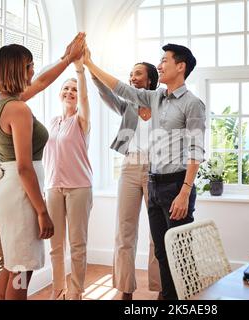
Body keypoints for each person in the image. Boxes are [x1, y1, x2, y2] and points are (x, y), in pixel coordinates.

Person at [84, 44, 206, 300]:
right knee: (161, 248)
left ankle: (175, 296)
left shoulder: (192, 104)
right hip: (152, 178)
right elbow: (119, 89)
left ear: (180, 66)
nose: (160, 65)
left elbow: (196, 149)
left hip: (175, 182)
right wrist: (89, 64)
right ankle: (147, 293)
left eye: (164, 61)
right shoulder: (155, 98)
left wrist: (185, 191)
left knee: (176, 249)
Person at [0, 34, 86, 300]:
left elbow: (41, 82)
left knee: (13, 264)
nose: (33, 70)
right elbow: (25, 168)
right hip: (19, 192)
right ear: (18, 69)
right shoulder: (18, 109)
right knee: (22, 270)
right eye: (29, 65)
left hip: (6, 187)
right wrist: (42, 212)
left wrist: (67, 59)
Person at [91, 62, 162, 300]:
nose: (133, 77)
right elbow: (107, 93)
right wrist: (91, 71)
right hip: (130, 167)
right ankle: (125, 289)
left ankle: (161, 287)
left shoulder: (160, 101)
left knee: (157, 232)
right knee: (124, 231)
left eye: (138, 73)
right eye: (130, 74)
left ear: (150, 79)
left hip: (156, 169)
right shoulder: (128, 105)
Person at [43, 55, 93, 300]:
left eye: (73, 89)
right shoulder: (53, 122)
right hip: (53, 187)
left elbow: (84, 99)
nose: (70, 92)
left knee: (77, 244)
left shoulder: (81, 121)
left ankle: (75, 292)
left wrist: (80, 72)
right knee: (55, 245)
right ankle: (57, 289)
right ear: (59, 93)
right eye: (66, 88)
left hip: (79, 187)